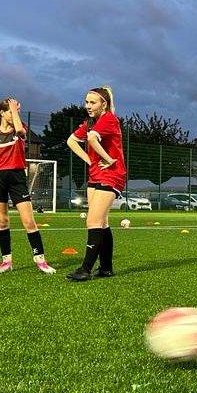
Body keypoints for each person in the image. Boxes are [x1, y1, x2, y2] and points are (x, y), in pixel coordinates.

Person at [0, 97, 55, 274]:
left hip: (16, 177)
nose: (14, 113)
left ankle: (40, 260)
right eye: (10, 110)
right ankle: (6, 262)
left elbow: (21, 129)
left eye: (16, 110)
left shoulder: (18, 130)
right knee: (2, 221)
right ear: (1, 113)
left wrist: (15, 110)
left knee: (29, 221)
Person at [64, 86, 127, 281]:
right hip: (95, 175)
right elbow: (71, 141)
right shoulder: (91, 122)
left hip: (111, 175)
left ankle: (85, 269)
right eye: (86, 102)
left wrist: (108, 159)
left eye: (93, 102)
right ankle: (106, 268)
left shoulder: (109, 119)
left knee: (93, 221)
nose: (88, 106)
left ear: (104, 104)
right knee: (102, 222)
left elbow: (91, 138)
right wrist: (90, 160)